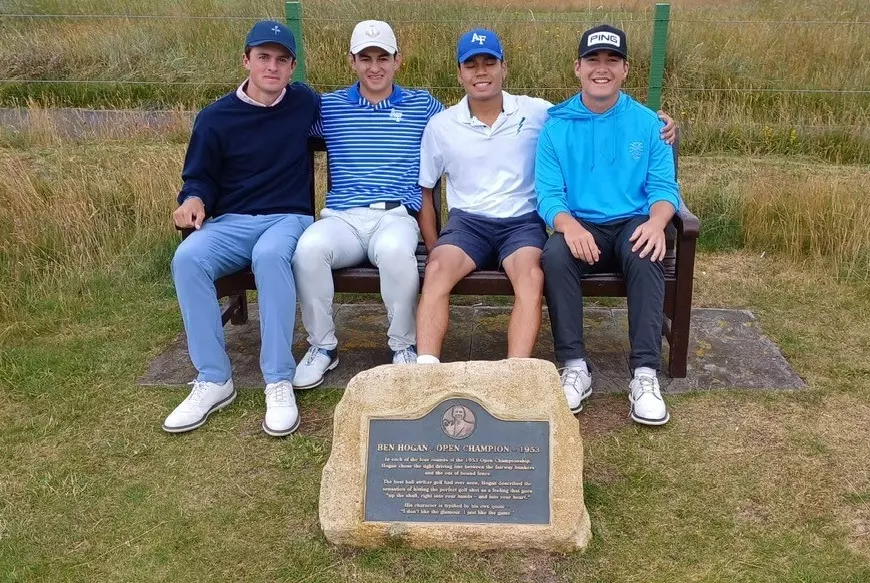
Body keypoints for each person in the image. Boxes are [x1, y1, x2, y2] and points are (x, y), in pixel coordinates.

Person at [416, 29, 676, 365]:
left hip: (521, 224)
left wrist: (664, 124)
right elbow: (426, 189)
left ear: (504, 68)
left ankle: (516, 373)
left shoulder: (537, 112)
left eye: (489, 62)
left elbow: (589, 110)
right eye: (471, 65)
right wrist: (435, 244)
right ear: (460, 73)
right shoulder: (442, 125)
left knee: (532, 275)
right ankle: (425, 370)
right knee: (436, 269)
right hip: (468, 225)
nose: (481, 72)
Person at [163, 21, 321, 436]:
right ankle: (215, 378)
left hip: (289, 217)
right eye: (263, 57)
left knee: (269, 258)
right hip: (231, 221)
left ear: (292, 68)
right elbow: (198, 177)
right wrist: (193, 199)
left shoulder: (304, 102)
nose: (272, 67)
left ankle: (278, 379)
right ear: (246, 60)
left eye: (282, 60)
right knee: (188, 257)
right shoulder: (216, 117)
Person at [536, 25, 680, 424]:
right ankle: (575, 366)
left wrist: (657, 222)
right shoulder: (556, 126)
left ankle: (645, 375)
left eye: (612, 61)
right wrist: (568, 226)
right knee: (555, 253)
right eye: (593, 60)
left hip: (633, 221)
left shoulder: (650, 124)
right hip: (583, 226)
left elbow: (664, 187)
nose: (602, 69)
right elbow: (549, 196)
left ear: (626, 69)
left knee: (648, 248)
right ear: (577, 68)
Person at [292, 20, 444, 389]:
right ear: (352, 61)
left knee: (395, 252)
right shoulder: (329, 106)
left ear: (397, 60)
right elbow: (281, 124)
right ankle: (323, 347)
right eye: (365, 58)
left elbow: (461, 128)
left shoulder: (422, 104)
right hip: (342, 218)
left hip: (395, 214)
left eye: (382, 57)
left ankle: (403, 346)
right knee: (308, 249)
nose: (374, 67)